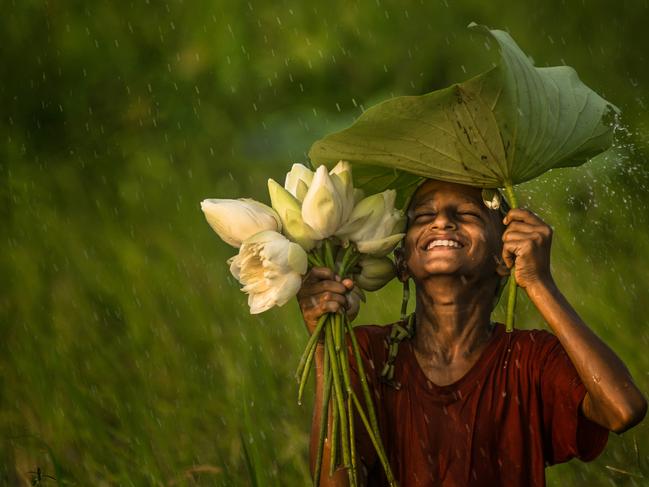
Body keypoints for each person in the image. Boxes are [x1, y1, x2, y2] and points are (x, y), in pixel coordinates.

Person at [297, 179, 647, 486]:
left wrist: (539, 282)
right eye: (423, 217)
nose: (442, 222)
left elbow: (623, 410)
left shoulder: (529, 360)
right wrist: (325, 343)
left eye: (466, 215)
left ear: (503, 256)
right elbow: (335, 482)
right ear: (401, 263)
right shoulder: (368, 352)